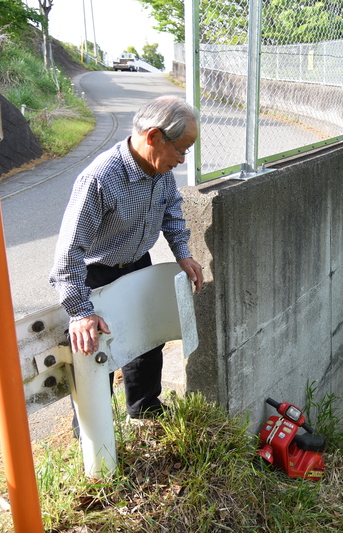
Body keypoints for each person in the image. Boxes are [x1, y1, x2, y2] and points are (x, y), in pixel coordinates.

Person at [49, 95, 203, 432]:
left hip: (137, 263)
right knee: (94, 353)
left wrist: (183, 252)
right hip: (96, 273)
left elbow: (171, 209)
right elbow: (69, 251)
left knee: (147, 339)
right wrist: (79, 311)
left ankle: (144, 409)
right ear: (153, 137)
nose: (182, 159)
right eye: (180, 149)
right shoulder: (101, 179)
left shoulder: (158, 170)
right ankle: (91, 435)